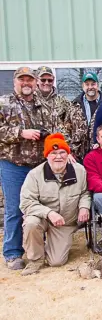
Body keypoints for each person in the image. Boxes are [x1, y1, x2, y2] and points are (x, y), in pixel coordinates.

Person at [0, 67, 54, 271]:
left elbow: (52, 133)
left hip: (39, 166)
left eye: (29, 80)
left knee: (43, 206)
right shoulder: (4, 103)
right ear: (15, 82)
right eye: (22, 80)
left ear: (35, 82)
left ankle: (39, 249)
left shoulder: (43, 106)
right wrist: (20, 132)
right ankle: (13, 253)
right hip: (13, 165)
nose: (26, 83)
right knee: (15, 208)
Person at [19, 133, 90, 275]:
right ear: (46, 155)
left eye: (62, 152)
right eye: (54, 153)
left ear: (68, 154)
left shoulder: (80, 171)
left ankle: (50, 247)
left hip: (65, 222)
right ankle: (35, 260)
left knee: (56, 262)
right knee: (31, 222)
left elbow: (85, 192)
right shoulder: (35, 175)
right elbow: (26, 202)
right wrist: (49, 213)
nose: (58, 156)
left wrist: (84, 207)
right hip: (43, 218)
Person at [36, 66, 87, 161]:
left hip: (57, 154)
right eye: (43, 80)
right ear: (37, 81)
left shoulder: (62, 101)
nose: (46, 83)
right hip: (35, 155)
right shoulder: (30, 100)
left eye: (49, 80)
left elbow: (77, 124)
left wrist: (71, 149)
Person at [72, 72, 102, 157]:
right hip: (79, 154)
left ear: (97, 85)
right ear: (83, 86)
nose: (90, 87)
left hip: (101, 151)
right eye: (87, 84)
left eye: (93, 84)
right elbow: (68, 128)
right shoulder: (74, 105)